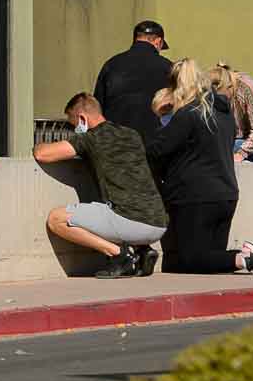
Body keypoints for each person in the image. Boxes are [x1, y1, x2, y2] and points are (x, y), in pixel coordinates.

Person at [144, 59, 253, 275]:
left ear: (176, 86)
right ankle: (248, 256)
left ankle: (245, 259)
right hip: (226, 194)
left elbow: (157, 150)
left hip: (194, 197)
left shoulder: (187, 115)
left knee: (185, 260)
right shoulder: (224, 115)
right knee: (207, 258)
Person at [32, 92, 168, 279]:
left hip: (131, 221)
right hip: (158, 223)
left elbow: (43, 154)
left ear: (82, 118)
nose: (75, 130)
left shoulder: (91, 138)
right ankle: (142, 251)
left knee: (56, 219)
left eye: (73, 125)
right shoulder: (132, 134)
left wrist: (36, 146)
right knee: (116, 205)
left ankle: (120, 255)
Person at [94, 21, 172, 145]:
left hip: (116, 143)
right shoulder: (168, 67)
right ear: (158, 42)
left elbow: (97, 106)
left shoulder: (111, 65)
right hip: (154, 145)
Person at [209, 64, 253, 163]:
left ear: (229, 87)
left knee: (216, 151)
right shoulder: (218, 92)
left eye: (222, 97)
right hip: (239, 140)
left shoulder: (247, 87)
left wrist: (241, 154)